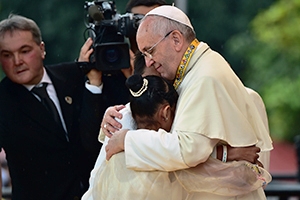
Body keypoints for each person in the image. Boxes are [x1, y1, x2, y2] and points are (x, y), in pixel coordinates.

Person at [103, 5, 273, 199]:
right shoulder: (193, 71)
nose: (148, 62)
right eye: (145, 55)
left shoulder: (205, 76)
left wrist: (127, 140)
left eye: (150, 51)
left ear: (176, 39)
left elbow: (188, 150)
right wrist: (115, 116)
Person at [0, 14, 108, 199]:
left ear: (42, 49)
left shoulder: (73, 75)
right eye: (7, 55)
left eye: (25, 51)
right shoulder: (3, 101)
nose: (17, 61)